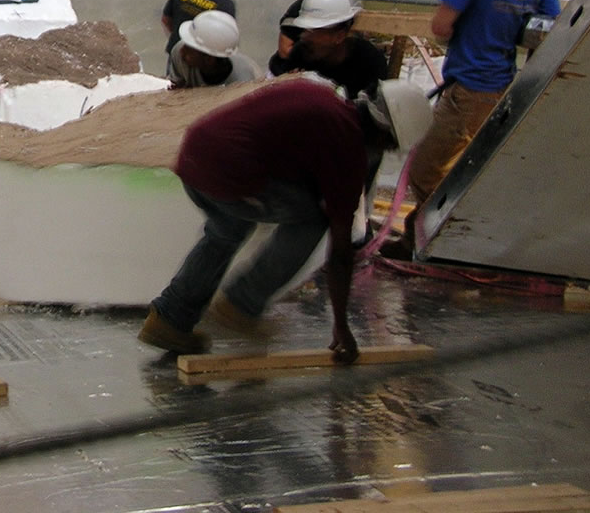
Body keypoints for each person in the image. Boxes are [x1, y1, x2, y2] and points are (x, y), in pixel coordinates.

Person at [137, 77, 434, 362]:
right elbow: (341, 250)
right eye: (389, 146)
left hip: (194, 152)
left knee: (227, 228)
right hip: (231, 171)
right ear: (384, 135)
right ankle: (243, 303)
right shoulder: (347, 146)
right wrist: (341, 325)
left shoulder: (318, 95)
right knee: (317, 218)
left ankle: (170, 319)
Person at [382, 0, 560, 259]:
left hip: (469, 90)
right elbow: (547, 29)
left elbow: (441, 26)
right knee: (469, 169)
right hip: (507, 90)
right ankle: (421, 239)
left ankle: (447, 242)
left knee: (426, 171)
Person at [269, 0, 386, 102]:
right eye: (305, 29)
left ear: (339, 35)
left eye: (314, 31)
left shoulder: (369, 63)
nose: (304, 36)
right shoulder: (301, 53)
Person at [167, 10, 261, 89]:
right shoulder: (179, 53)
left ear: (209, 60)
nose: (182, 51)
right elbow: (177, 89)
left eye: (189, 49)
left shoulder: (242, 83)